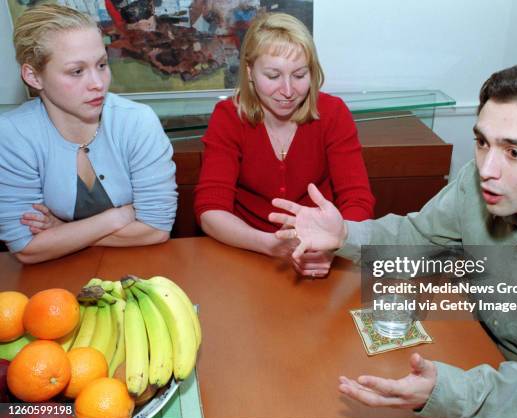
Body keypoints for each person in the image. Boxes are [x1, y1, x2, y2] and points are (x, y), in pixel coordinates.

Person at [269, 62, 517, 418]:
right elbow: (417, 237)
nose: (486, 169)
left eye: (514, 153)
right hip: (480, 357)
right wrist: (344, 234)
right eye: (482, 142)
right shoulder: (479, 185)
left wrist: (451, 394)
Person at [194, 12, 374, 278]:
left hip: (324, 254)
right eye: (273, 75)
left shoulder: (333, 113)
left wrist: (332, 247)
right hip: (246, 252)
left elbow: (357, 200)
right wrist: (269, 244)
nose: (288, 90)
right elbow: (211, 209)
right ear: (250, 72)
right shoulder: (229, 116)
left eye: (300, 75)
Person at [0, 4, 177, 264]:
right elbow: (26, 247)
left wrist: (61, 231)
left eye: (102, 64)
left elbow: (156, 229)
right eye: (77, 71)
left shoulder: (137, 121)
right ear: (34, 76)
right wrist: (116, 217)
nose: (98, 83)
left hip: (143, 270)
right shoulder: (13, 133)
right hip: (57, 278)